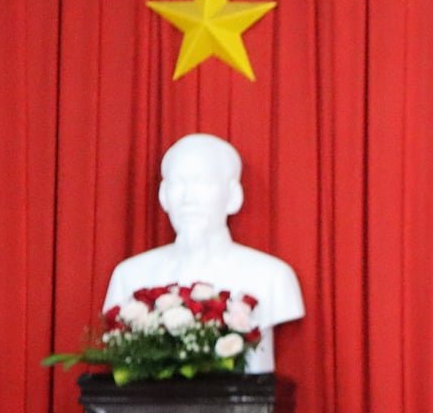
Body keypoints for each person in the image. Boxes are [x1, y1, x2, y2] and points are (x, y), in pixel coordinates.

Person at [103, 133, 304, 374]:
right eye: (178, 184)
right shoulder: (130, 275)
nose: (188, 198)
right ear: (163, 195)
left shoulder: (272, 276)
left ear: (233, 196)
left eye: (203, 183)